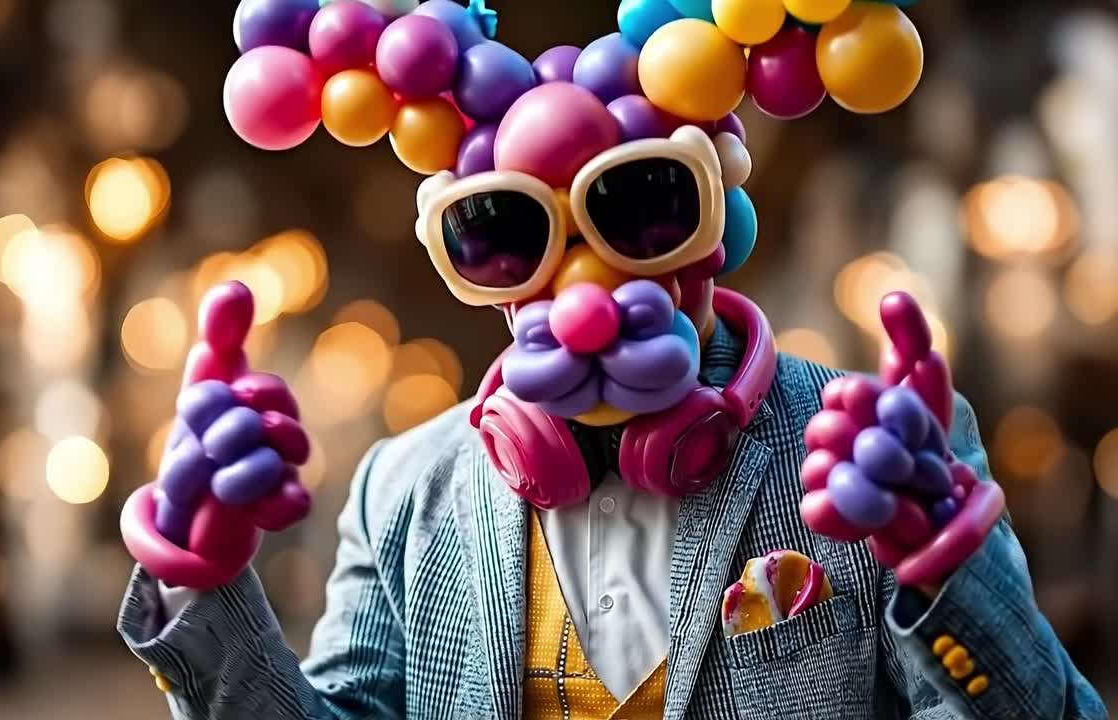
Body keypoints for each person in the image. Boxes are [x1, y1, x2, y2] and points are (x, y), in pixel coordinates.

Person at [117, 1, 1108, 718]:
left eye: (642, 209)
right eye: (505, 233)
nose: (583, 296)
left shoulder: (872, 452)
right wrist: (205, 579)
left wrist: (947, 567)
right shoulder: (404, 489)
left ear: (714, 225)